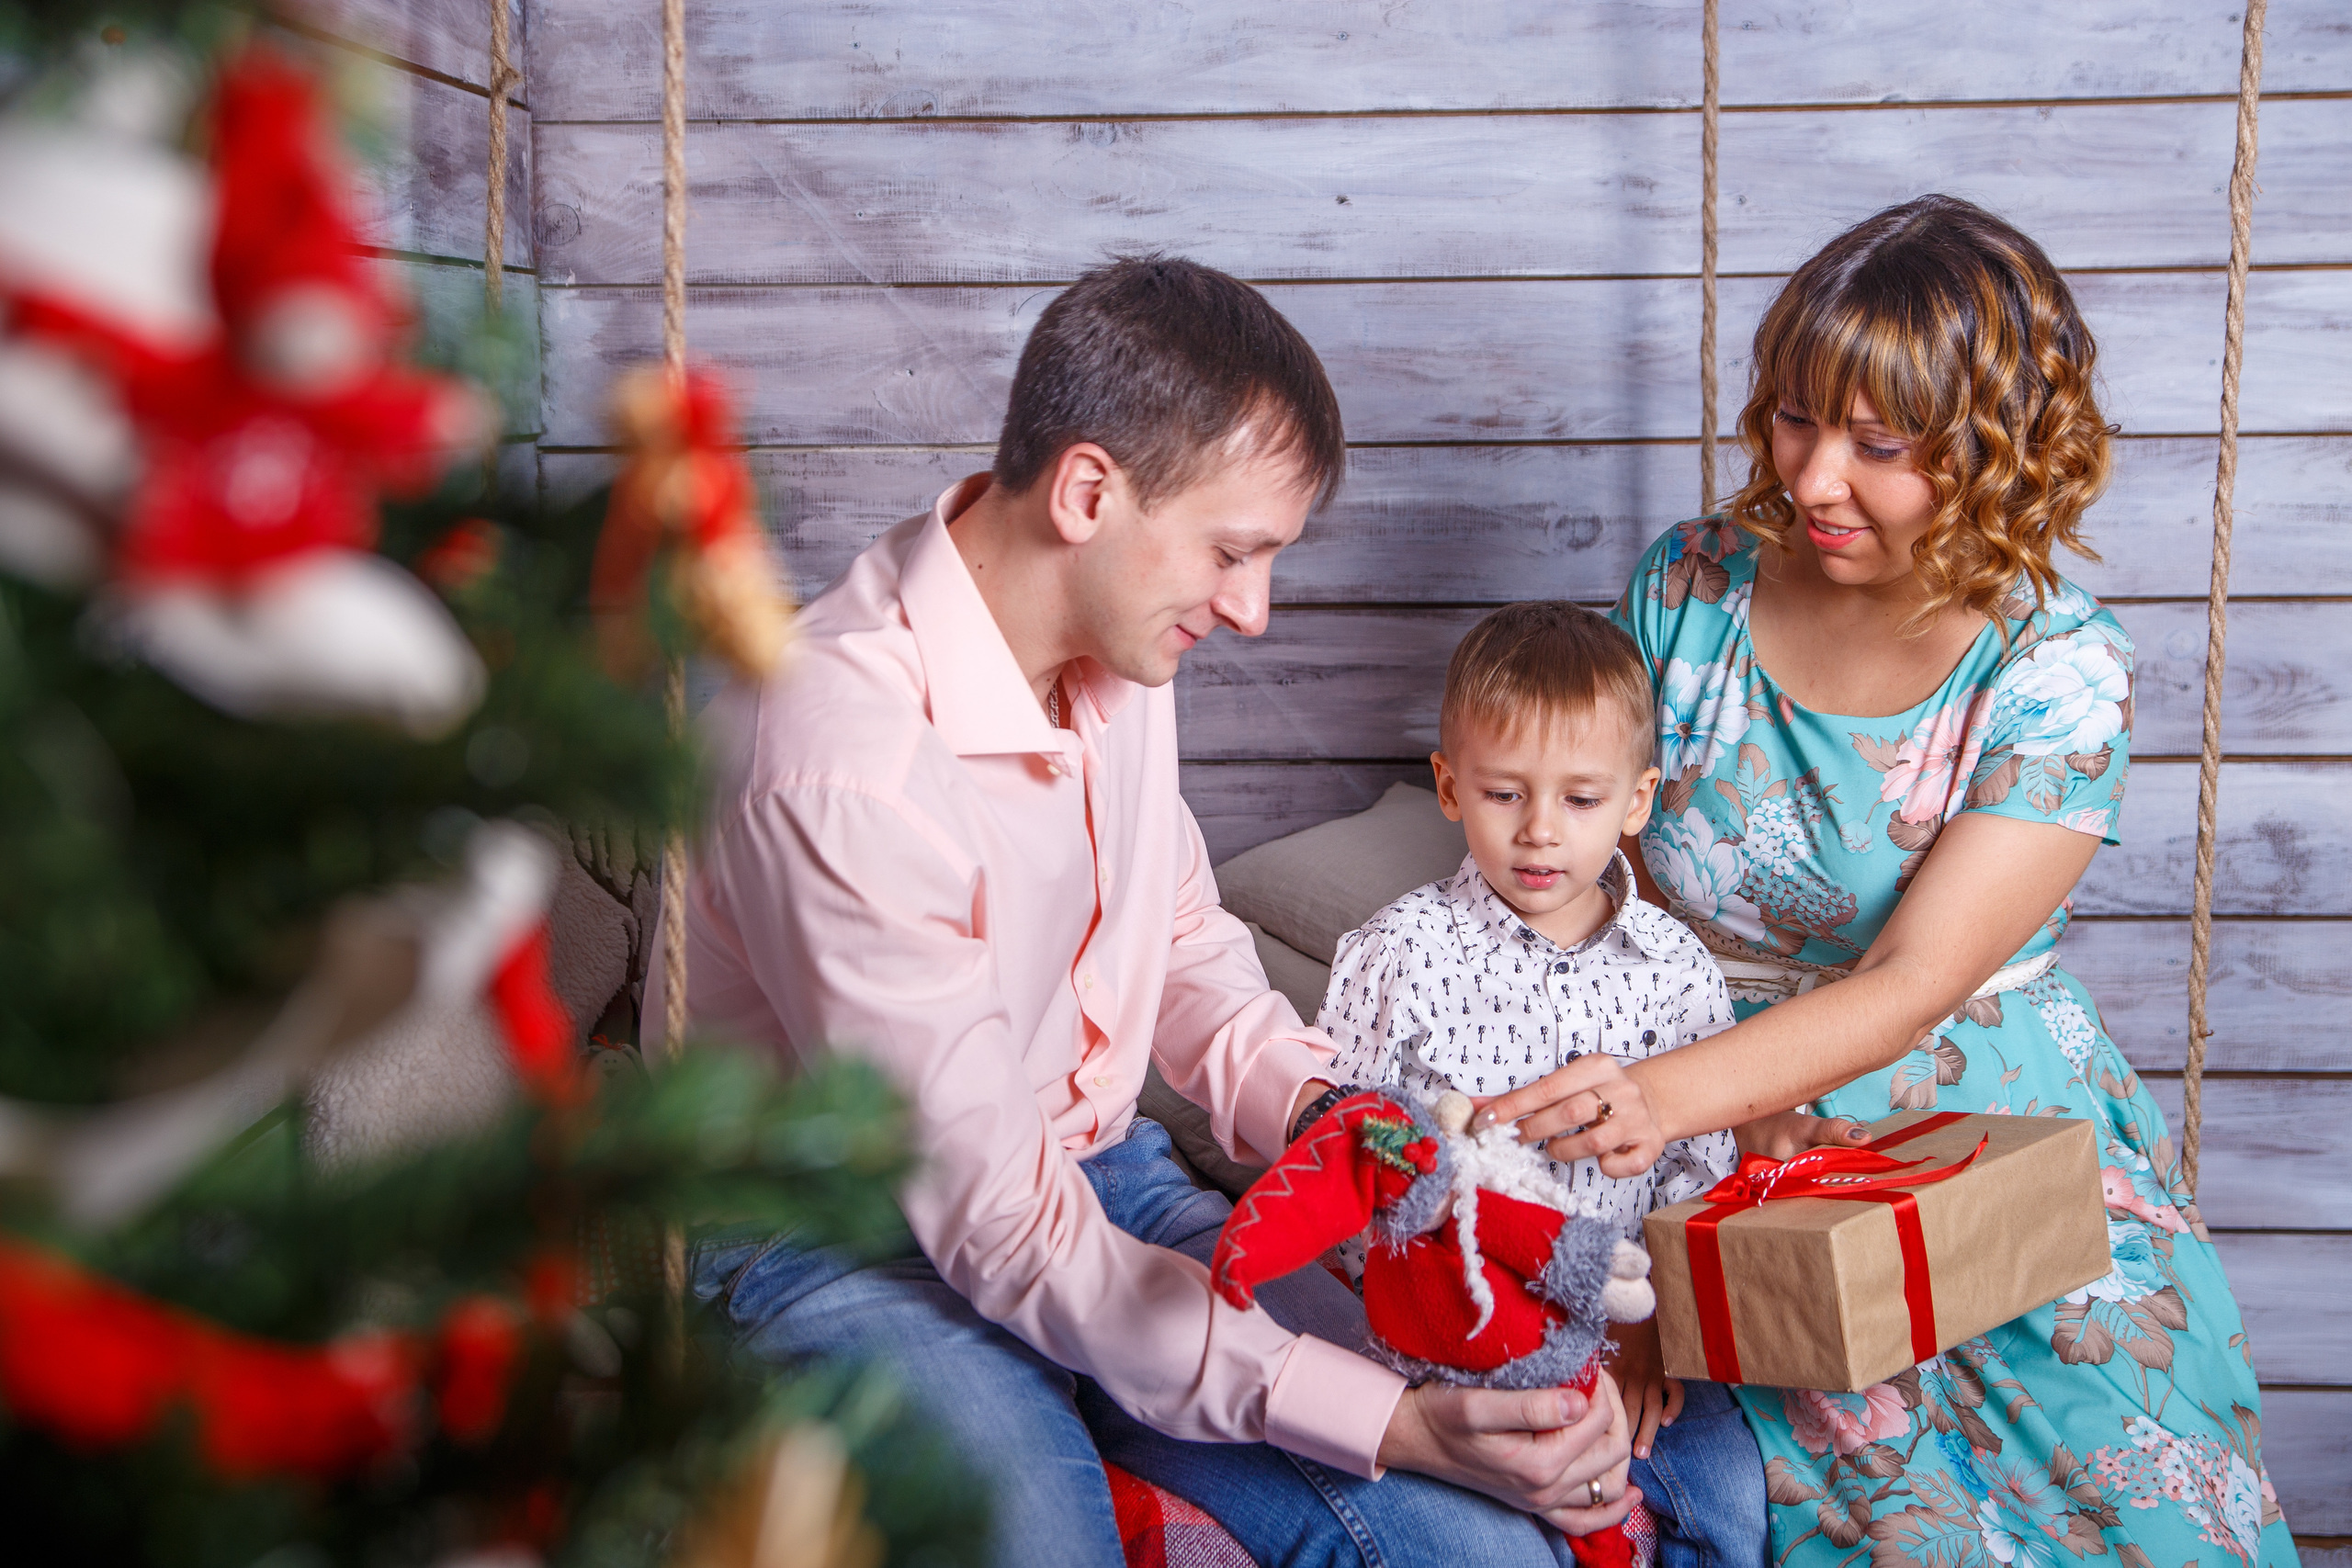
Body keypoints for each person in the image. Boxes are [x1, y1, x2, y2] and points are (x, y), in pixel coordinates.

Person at [667, 255, 1634, 1568]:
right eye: (1234, 552)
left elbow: (1180, 940)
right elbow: (1001, 1225)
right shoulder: (841, 762)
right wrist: (1389, 1421)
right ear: (1086, 491)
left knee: (1492, 1538)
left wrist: (1325, 1110)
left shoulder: (1119, 647)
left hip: (1102, 1172)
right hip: (849, 1236)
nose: (1253, 607)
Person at [1474, 197, 2301, 1567]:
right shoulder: (1688, 588)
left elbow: (1916, 979)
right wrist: (1656, 1172)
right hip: (1713, 1135)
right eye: (1797, 417)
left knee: (2132, 1521)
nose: (1812, 479)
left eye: (1880, 444)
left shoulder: (2058, 669)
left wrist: (1654, 1099)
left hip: (1972, 1135)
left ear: (1993, 448)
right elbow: (1597, 885)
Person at [1317, 600, 1770, 1568]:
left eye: (1579, 799)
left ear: (1637, 802)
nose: (1538, 834)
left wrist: (1657, 1333)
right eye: (1503, 793)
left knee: (1731, 1499)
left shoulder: (1675, 965)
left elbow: (1698, 1174)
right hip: (1458, 1331)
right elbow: (1346, 1148)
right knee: (1525, 1526)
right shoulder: (1399, 953)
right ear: (1447, 786)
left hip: (1628, 1333)